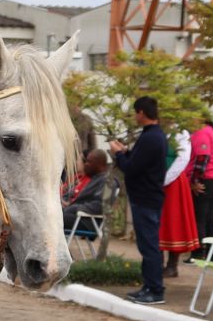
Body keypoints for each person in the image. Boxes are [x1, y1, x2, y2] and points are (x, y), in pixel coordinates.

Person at [109, 96, 169, 305]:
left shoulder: (151, 137)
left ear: (141, 113)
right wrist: (127, 152)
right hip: (147, 197)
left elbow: (131, 168)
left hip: (146, 198)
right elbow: (138, 161)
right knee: (147, 244)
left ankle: (155, 289)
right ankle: (149, 286)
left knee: (149, 245)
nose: (135, 117)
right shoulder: (153, 135)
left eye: (136, 112)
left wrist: (118, 154)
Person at [160, 128, 200, 277]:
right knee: (157, 222)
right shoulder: (157, 129)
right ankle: (156, 264)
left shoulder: (181, 133)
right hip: (156, 181)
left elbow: (183, 158)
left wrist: (165, 179)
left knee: (173, 222)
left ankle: (172, 265)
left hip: (173, 181)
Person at [190, 114, 213, 257]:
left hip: (205, 180)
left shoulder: (202, 132)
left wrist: (194, 181)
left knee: (199, 218)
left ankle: (198, 253)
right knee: (209, 219)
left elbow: (202, 157)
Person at [62, 149, 110, 233]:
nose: (86, 165)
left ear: (99, 164)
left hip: (87, 222)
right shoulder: (95, 179)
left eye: (89, 162)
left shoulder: (108, 181)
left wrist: (74, 208)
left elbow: (100, 205)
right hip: (77, 216)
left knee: (53, 219)